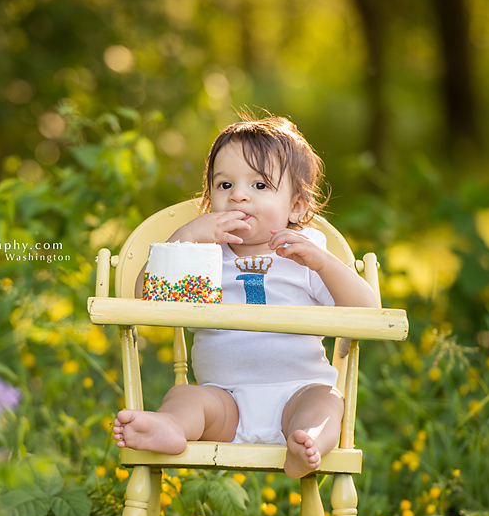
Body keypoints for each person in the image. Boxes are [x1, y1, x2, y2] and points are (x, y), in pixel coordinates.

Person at [113, 114, 379, 478]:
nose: (238, 195)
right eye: (224, 185)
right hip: (225, 400)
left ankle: (308, 442)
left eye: (259, 184)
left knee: (327, 402)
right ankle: (171, 427)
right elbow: (145, 297)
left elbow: (368, 312)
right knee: (186, 398)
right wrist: (185, 238)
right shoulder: (203, 256)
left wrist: (324, 264)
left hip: (297, 394)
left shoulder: (307, 255)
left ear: (297, 207)